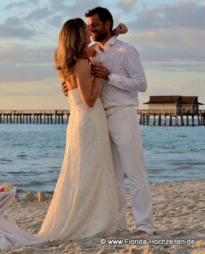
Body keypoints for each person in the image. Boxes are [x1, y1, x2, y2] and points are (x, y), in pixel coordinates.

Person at [61, 7, 155, 235]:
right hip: (100, 119)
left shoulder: (126, 51)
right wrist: (70, 87)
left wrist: (110, 77)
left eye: (94, 25)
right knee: (112, 176)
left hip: (122, 115)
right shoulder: (93, 51)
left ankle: (144, 225)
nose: (90, 29)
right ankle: (119, 224)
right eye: (88, 26)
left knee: (135, 172)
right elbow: (77, 71)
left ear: (106, 24)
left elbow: (141, 84)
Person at [37, 18, 120, 241]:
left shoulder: (66, 60)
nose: (89, 34)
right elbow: (90, 99)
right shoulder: (82, 64)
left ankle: (91, 214)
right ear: (78, 36)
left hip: (78, 122)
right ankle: (92, 218)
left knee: (82, 170)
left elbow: (93, 49)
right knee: (90, 171)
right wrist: (100, 78)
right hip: (90, 121)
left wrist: (116, 32)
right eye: (85, 31)